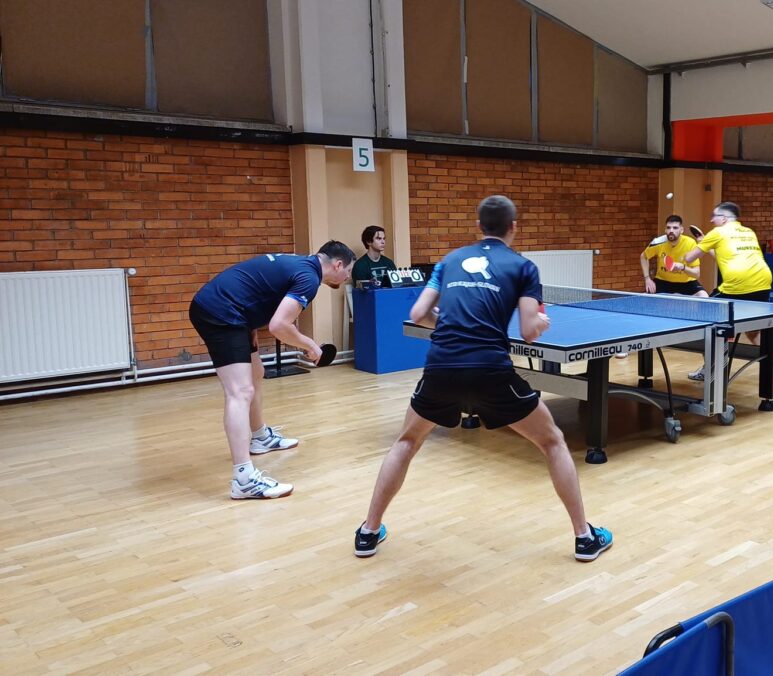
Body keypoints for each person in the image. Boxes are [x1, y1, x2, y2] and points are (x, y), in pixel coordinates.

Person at [354, 195, 612, 562]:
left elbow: (417, 313)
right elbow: (528, 331)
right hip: (491, 370)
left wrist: (452, 326)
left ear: (479, 226)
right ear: (513, 227)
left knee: (407, 441)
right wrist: (541, 322)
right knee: (553, 441)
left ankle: (368, 532)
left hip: (442, 366)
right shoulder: (523, 267)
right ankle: (585, 539)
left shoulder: (450, 260)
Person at [189, 241, 355, 499]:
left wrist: (251, 325)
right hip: (221, 312)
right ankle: (244, 479)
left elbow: (259, 290)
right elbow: (279, 326)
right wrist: (310, 345)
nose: (347, 278)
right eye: (348, 272)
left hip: (232, 311)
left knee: (256, 373)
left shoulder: (301, 265)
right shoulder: (309, 279)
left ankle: (259, 437)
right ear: (338, 265)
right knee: (239, 392)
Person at [682, 201, 773, 387]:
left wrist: (701, 245)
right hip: (763, 283)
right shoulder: (749, 232)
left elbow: (689, 258)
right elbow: (725, 257)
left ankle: (711, 369)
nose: (711, 220)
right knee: (753, 332)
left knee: (707, 324)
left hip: (736, 286)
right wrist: (708, 245)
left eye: (714, 216)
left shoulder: (717, 232)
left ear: (724, 218)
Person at [641, 215, 708, 297]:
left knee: (704, 296)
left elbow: (696, 274)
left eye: (675, 228)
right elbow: (643, 257)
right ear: (665, 230)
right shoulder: (657, 242)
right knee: (644, 297)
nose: (671, 230)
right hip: (663, 281)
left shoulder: (690, 243)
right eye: (668, 228)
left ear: (681, 230)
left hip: (686, 282)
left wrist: (683, 268)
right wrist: (647, 278)